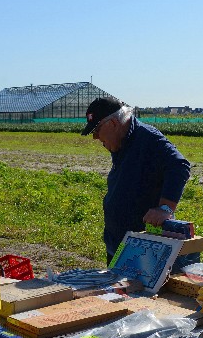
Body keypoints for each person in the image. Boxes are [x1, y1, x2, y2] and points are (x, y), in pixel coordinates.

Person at [81, 97, 191, 263]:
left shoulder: (148, 139)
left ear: (112, 124)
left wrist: (165, 208)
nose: (95, 137)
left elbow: (179, 165)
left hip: (142, 249)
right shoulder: (119, 141)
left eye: (96, 130)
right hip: (117, 244)